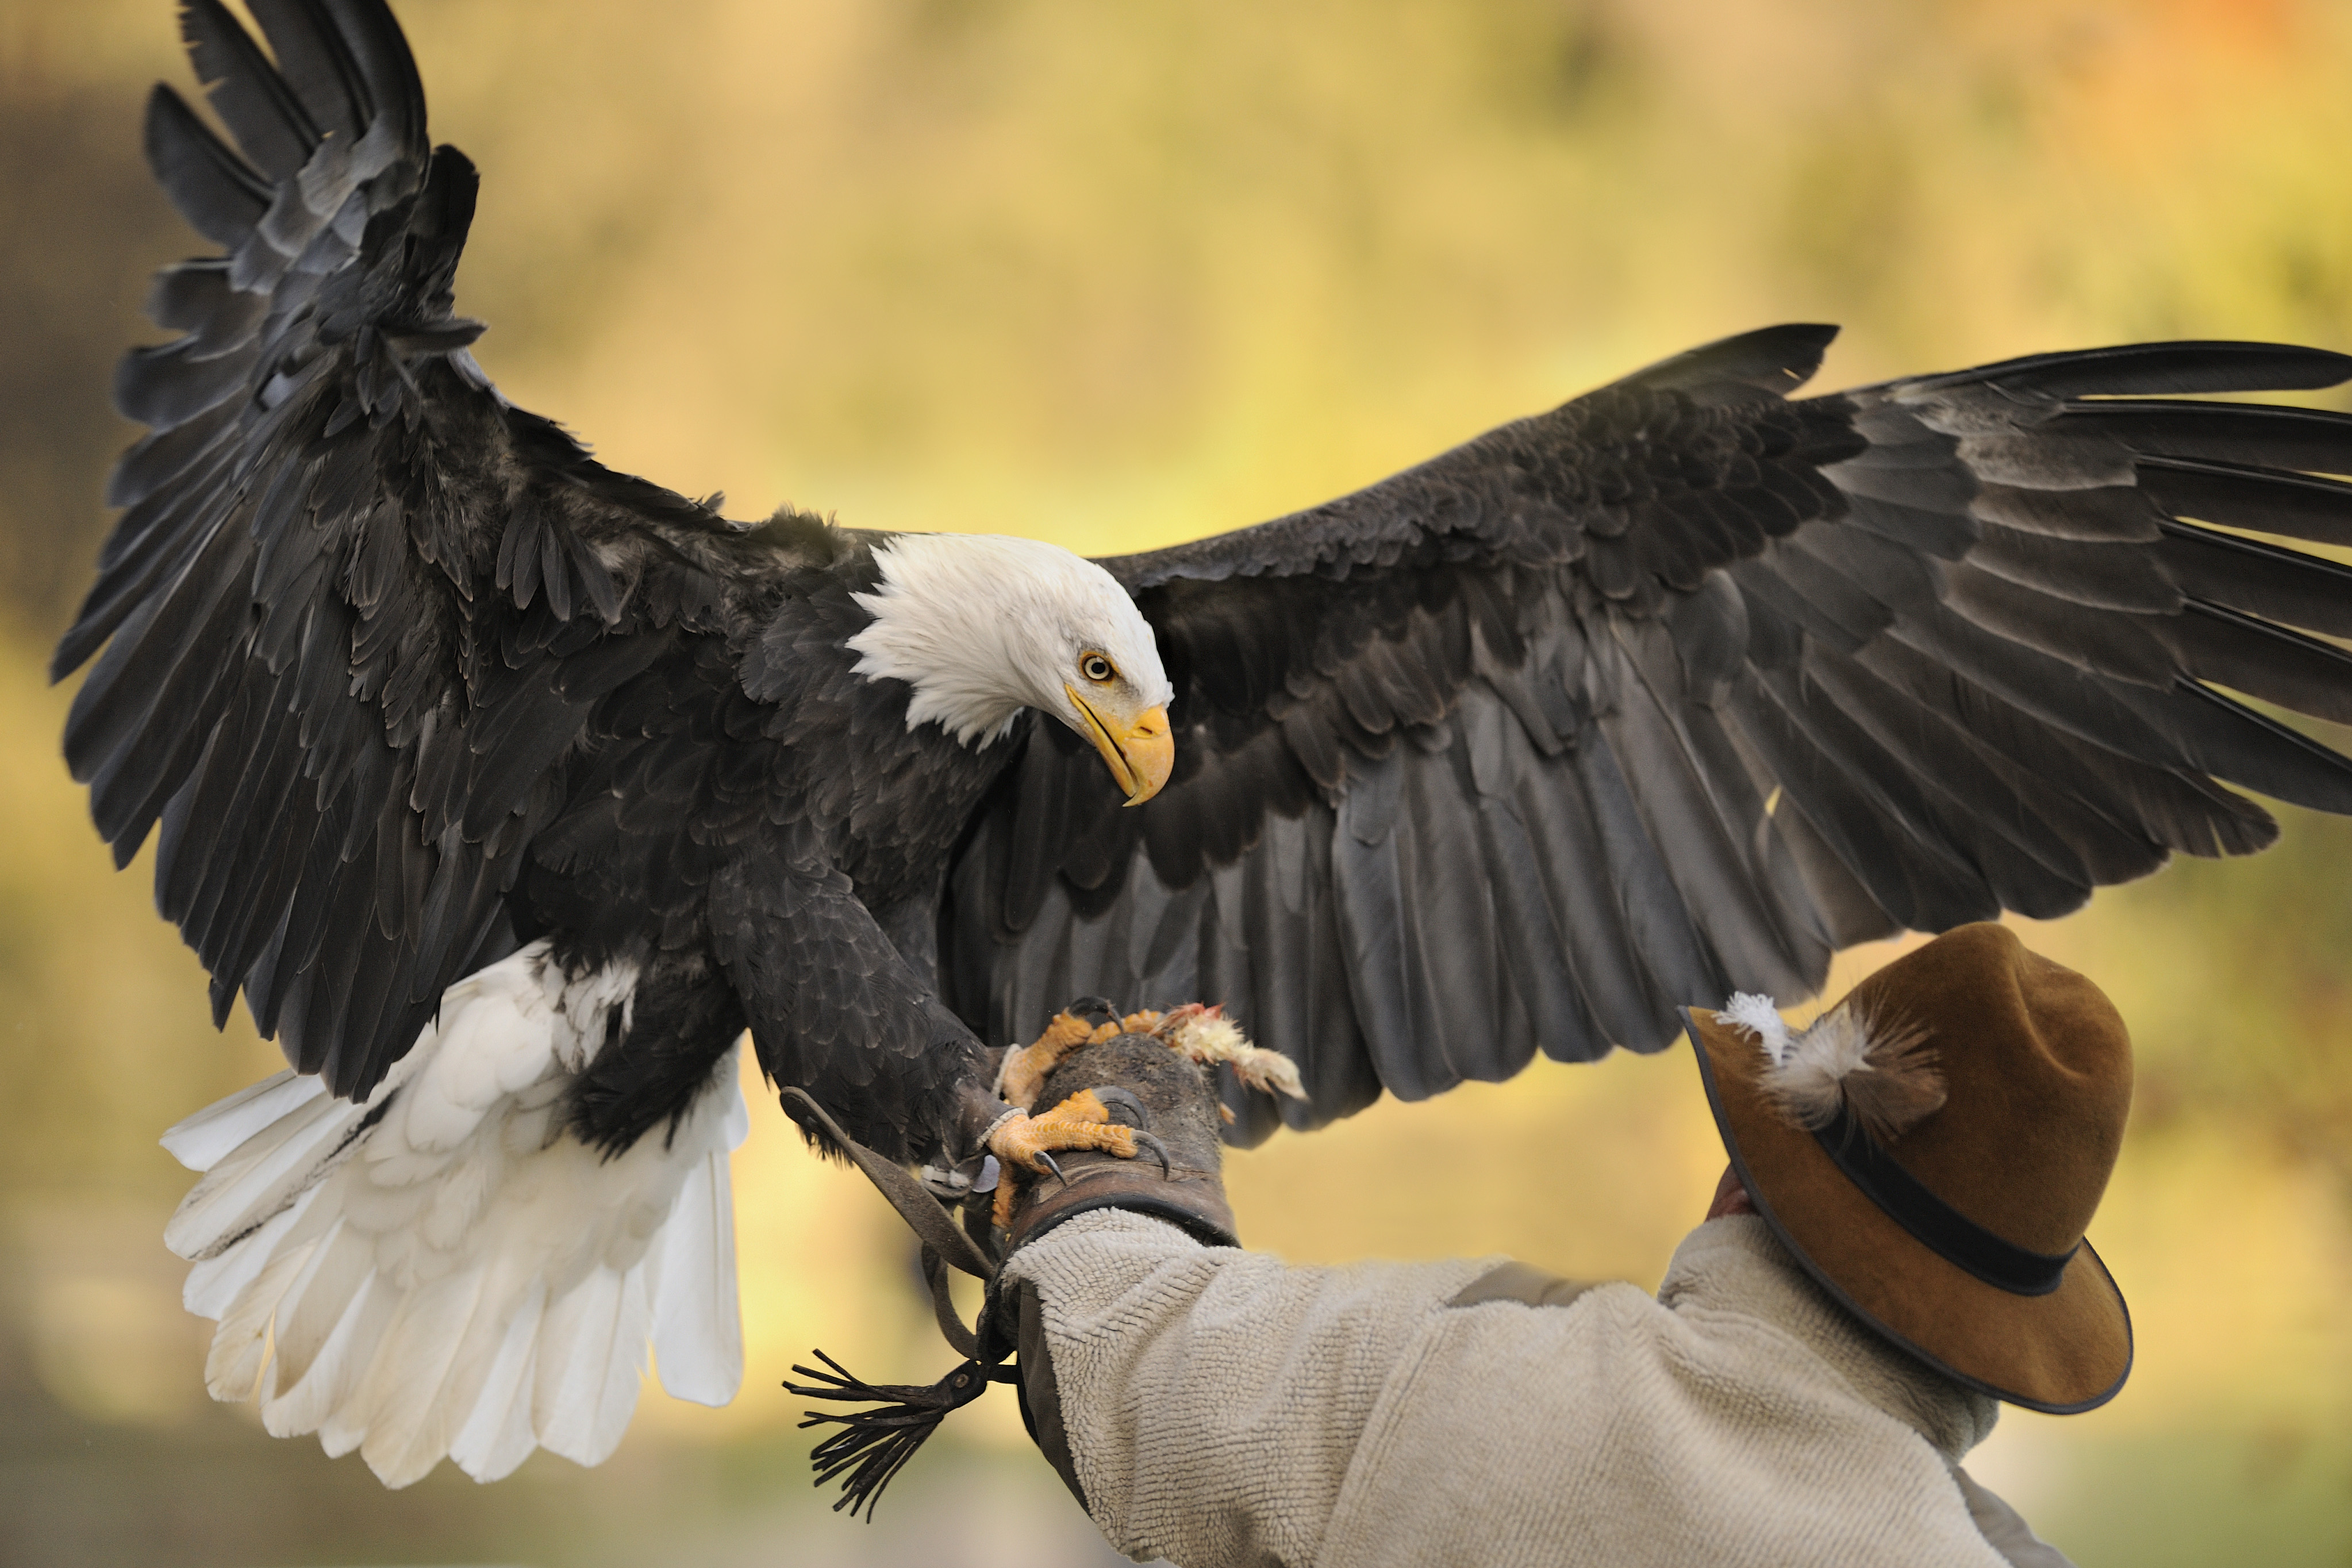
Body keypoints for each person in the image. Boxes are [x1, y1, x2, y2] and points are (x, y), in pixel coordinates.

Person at [989, 923, 2125, 1567]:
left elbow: (1121, 1358)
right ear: (1996, 1340)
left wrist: (1111, 1155)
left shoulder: (1475, 1379)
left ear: (1745, 1184)